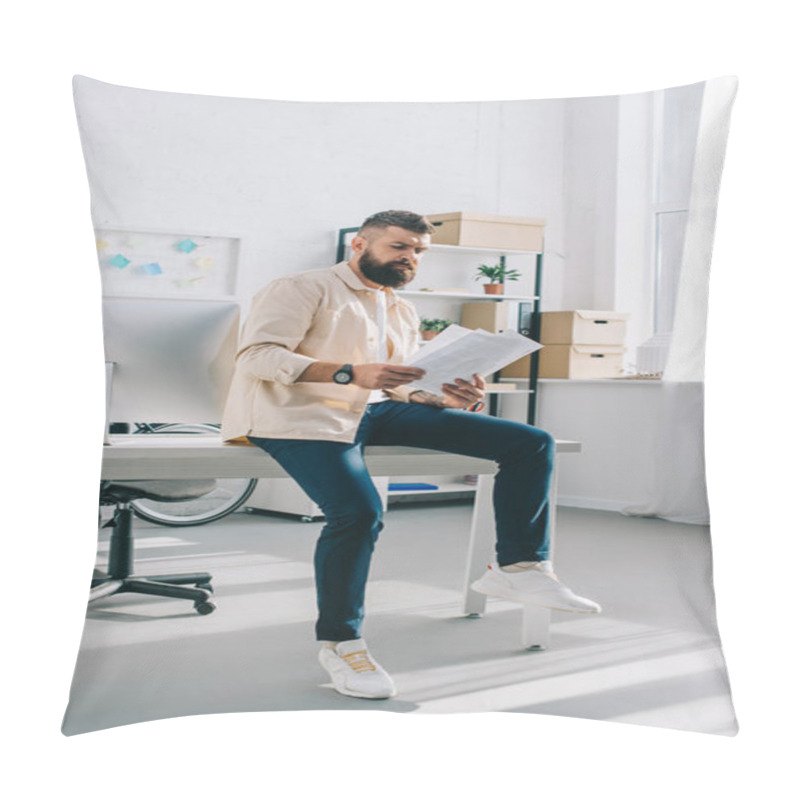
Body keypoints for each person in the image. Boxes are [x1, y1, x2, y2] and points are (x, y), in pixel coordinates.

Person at [222, 210, 600, 700]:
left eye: (419, 251)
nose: (410, 259)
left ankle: (519, 570)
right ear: (359, 244)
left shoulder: (400, 309)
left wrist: (449, 396)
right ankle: (340, 644)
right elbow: (256, 356)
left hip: (375, 413)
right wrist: (348, 374)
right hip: (299, 416)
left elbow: (400, 385)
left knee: (529, 442)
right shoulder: (301, 287)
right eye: (399, 247)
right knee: (358, 513)